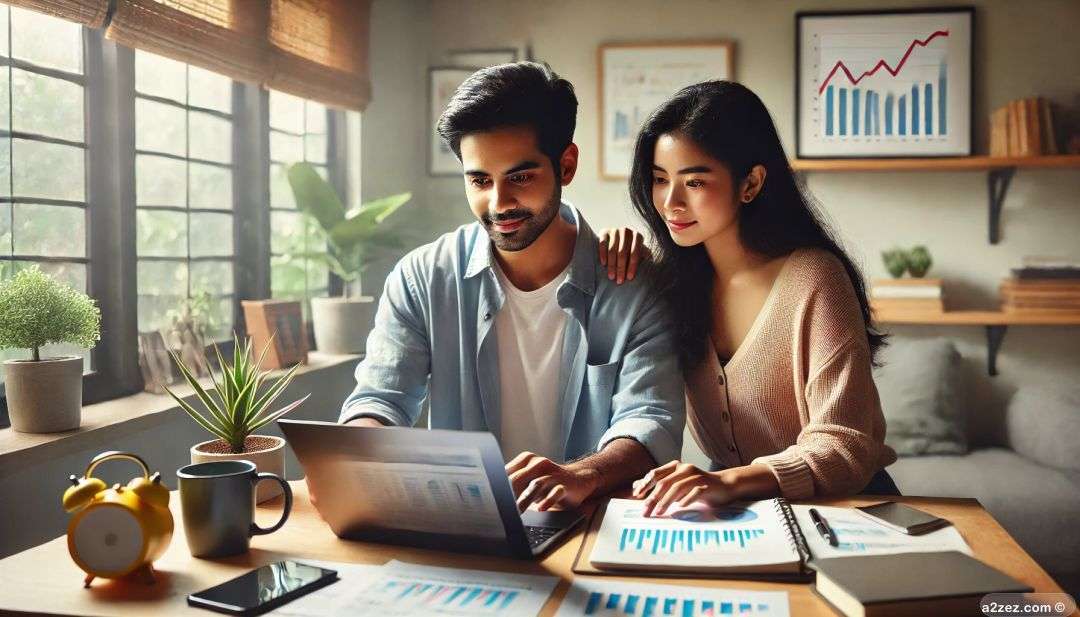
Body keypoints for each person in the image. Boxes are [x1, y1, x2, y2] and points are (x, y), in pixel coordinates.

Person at [322, 62, 685, 515]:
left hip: (592, 527)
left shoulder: (631, 283)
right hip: (463, 527)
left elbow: (651, 420)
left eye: (520, 177)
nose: (499, 203)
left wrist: (581, 474)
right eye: (479, 180)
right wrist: (353, 457)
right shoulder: (422, 278)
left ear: (566, 165)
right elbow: (382, 398)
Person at [622, 80, 898, 517]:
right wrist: (612, 253)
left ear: (750, 183)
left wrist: (728, 481)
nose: (670, 202)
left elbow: (846, 444)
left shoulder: (815, 278)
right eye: (659, 180)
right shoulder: (671, 285)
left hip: (845, 510)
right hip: (737, 510)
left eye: (694, 181)